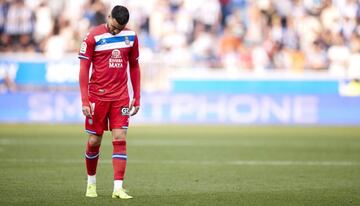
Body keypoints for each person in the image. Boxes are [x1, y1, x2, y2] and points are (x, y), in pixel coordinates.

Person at [78, 5, 140, 199]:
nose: (116, 31)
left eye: (120, 29)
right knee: (94, 140)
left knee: (120, 138)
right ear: (109, 16)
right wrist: (85, 100)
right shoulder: (92, 36)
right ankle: (91, 183)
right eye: (114, 27)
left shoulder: (131, 37)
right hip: (97, 97)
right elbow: (83, 69)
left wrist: (136, 96)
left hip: (120, 97)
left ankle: (118, 188)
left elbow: (135, 66)